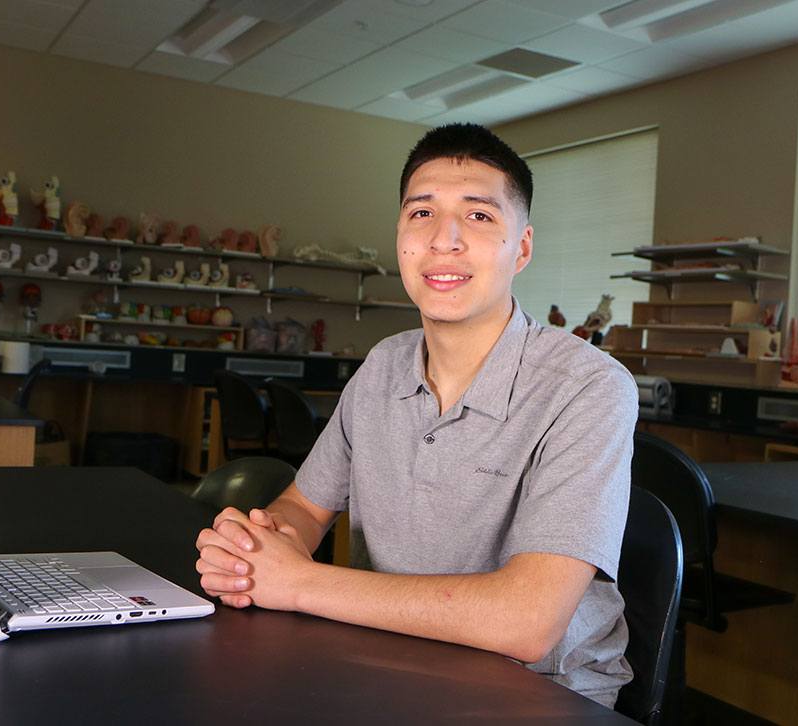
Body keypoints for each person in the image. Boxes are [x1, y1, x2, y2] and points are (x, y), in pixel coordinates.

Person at [195, 123, 639, 706]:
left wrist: (301, 583)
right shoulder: (383, 365)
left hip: (538, 695)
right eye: (421, 213)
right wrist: (255, 552)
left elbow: (526, 624)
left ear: (522, 247)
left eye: (479, 216)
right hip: (385, 659)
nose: (444, 240)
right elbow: (304, 505)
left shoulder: (591, 386)